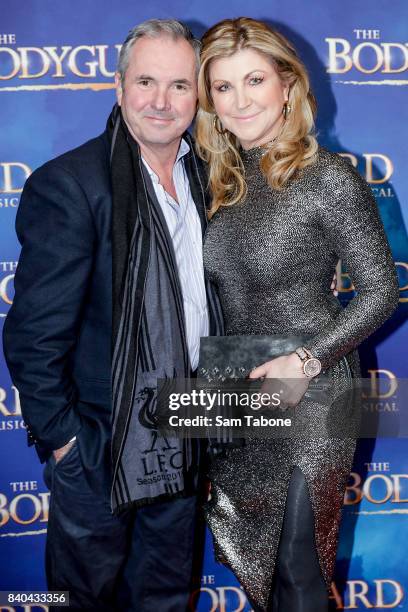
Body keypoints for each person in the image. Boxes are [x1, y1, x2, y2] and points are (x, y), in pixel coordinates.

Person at [2, 19, 224, 612]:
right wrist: (67, 442)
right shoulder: (71, 185)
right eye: (145, 81)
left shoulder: (212, 181)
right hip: (101, 441)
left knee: (167, 596)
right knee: (86, 600)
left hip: (187, 429)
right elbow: (33, 336)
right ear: (119, 85)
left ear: (197, 95)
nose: (160, 101)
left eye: (178, 85)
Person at [195, 17, 399, 612]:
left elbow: (381, 291)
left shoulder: (328, 177)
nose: (241, 100)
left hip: (312, 389)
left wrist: (306, 359)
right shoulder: (216, 183)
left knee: (298, 567)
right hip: (230, 385)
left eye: (254, 79)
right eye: (223, 87)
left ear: (288, 84)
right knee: (255, 569)